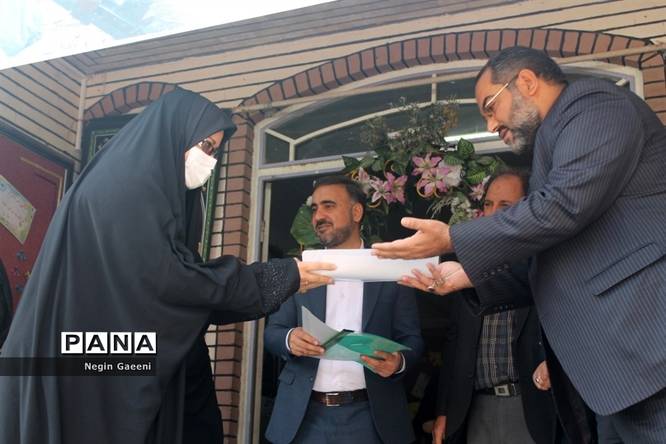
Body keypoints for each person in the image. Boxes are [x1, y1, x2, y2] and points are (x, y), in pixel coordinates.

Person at [0, 88, 334, 444]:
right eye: (206, 146)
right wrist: (276, 278)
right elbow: (168, 280)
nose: (210, 161)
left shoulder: (145, 190)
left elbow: (183, 289)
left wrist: (280, 281)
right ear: (174, 135)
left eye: (215, 152)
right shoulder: (123, 189)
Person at [373, 46, 666, 442]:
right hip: (619, 374)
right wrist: (467, 274)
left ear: (526, 81)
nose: (491, 124)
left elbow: (563, 206)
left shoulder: (593, 105)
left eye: (490, 107)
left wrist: (453, 237)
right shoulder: (555, 142)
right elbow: (552, 260)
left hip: (648, 348)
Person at [264, 175, 424, 444]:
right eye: (315, 209)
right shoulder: (300, 270)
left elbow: (413, 339)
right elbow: (272, 333)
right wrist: (290, 339)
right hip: (303, 417)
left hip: (370, 416)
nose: (318, 216)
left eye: (328, 206)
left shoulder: (390, 272)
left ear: (357, 212)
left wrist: (398, 362)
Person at [431, 170, 559, 444]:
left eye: (505, 206)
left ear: (529, 208)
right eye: (488, 204)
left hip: (532, 405)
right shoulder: (466, 267)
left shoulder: (543, 263)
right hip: (477, 408)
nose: (492, 214)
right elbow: (455, 344)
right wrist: (444, 410)